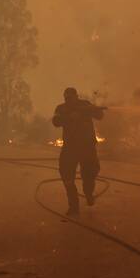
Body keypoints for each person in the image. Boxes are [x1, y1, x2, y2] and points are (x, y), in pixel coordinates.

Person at [52, 87, 105, 215]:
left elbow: (100, 115)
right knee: (66, 175)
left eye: (70, 97)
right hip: (70, 148)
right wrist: (70, 117)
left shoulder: (85, 105)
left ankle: (88, 193)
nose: (68, 100)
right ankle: (74, 206)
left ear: (76, 96)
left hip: (87, 147)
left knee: (89, 174)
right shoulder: (61, 108)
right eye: (66, 98)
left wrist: (93, 110)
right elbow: (56, 121)